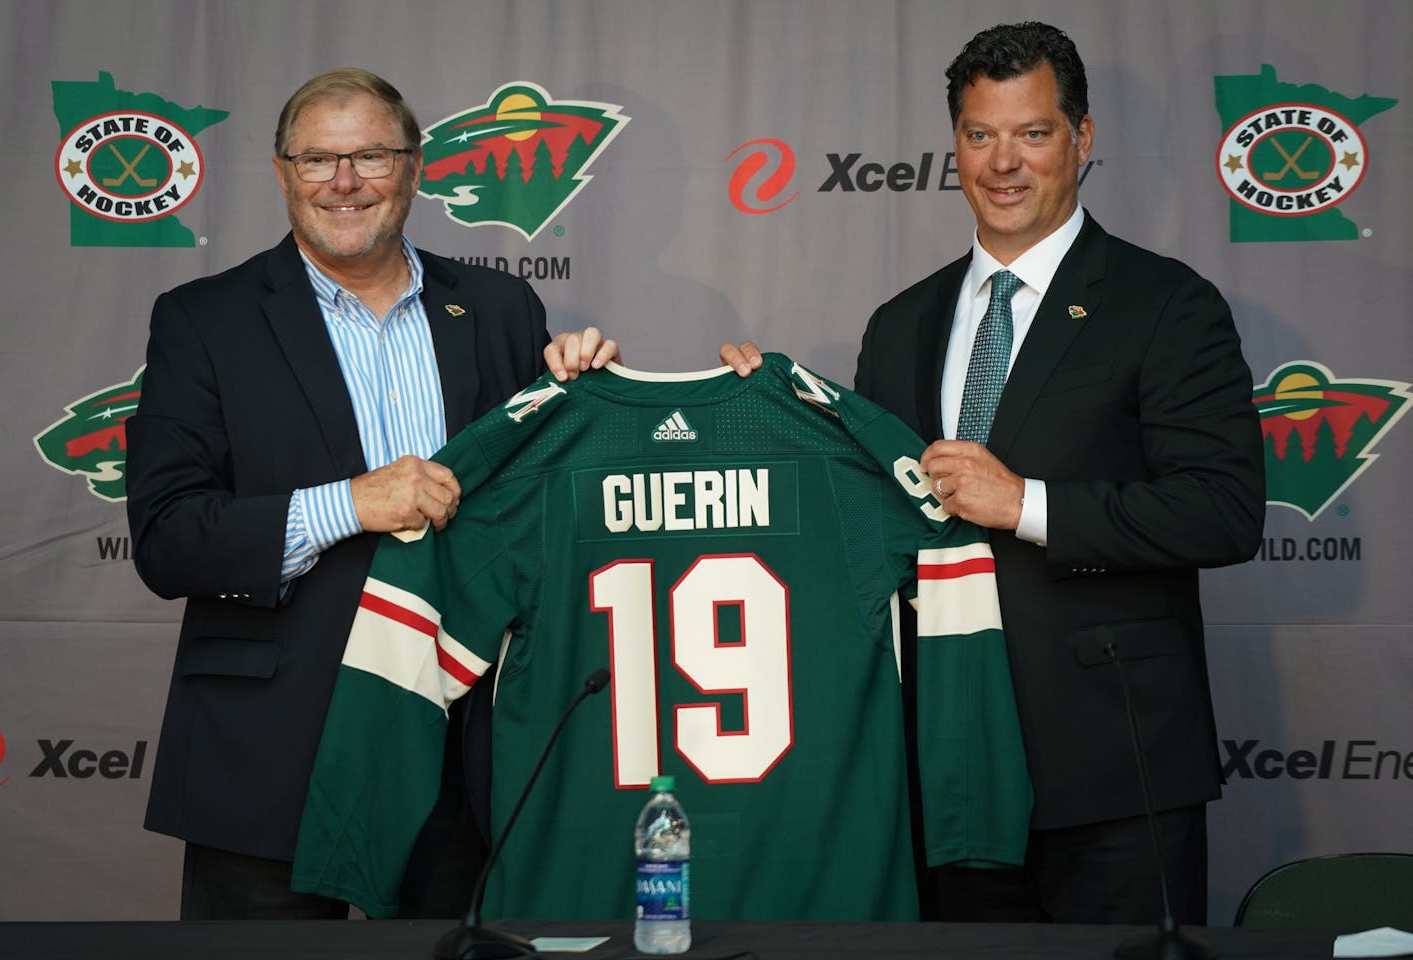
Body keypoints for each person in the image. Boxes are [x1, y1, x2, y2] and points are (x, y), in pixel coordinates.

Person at [723, 21, 1264, 924]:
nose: (1003, 162)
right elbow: (870, 526)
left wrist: (1027, 505)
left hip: (1112, 774)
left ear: (1082, 140)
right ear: (955, 146)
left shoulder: (1166, 304)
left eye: (1033, 133)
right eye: (981, 135)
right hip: (939, 764)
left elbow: (1224, 511)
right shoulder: (900, 324)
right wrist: (764, 422)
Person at [126, 67, 615, 920]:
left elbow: (544, 513)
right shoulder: (204, 319)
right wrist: (350, 503)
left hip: (464, 747)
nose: (343, 182)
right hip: (271, 753)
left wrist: (589, 403)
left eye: (372, 156)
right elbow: (169, 538)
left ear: (415, 166)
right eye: (317, 159)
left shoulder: (498, 307)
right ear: (282, 173)